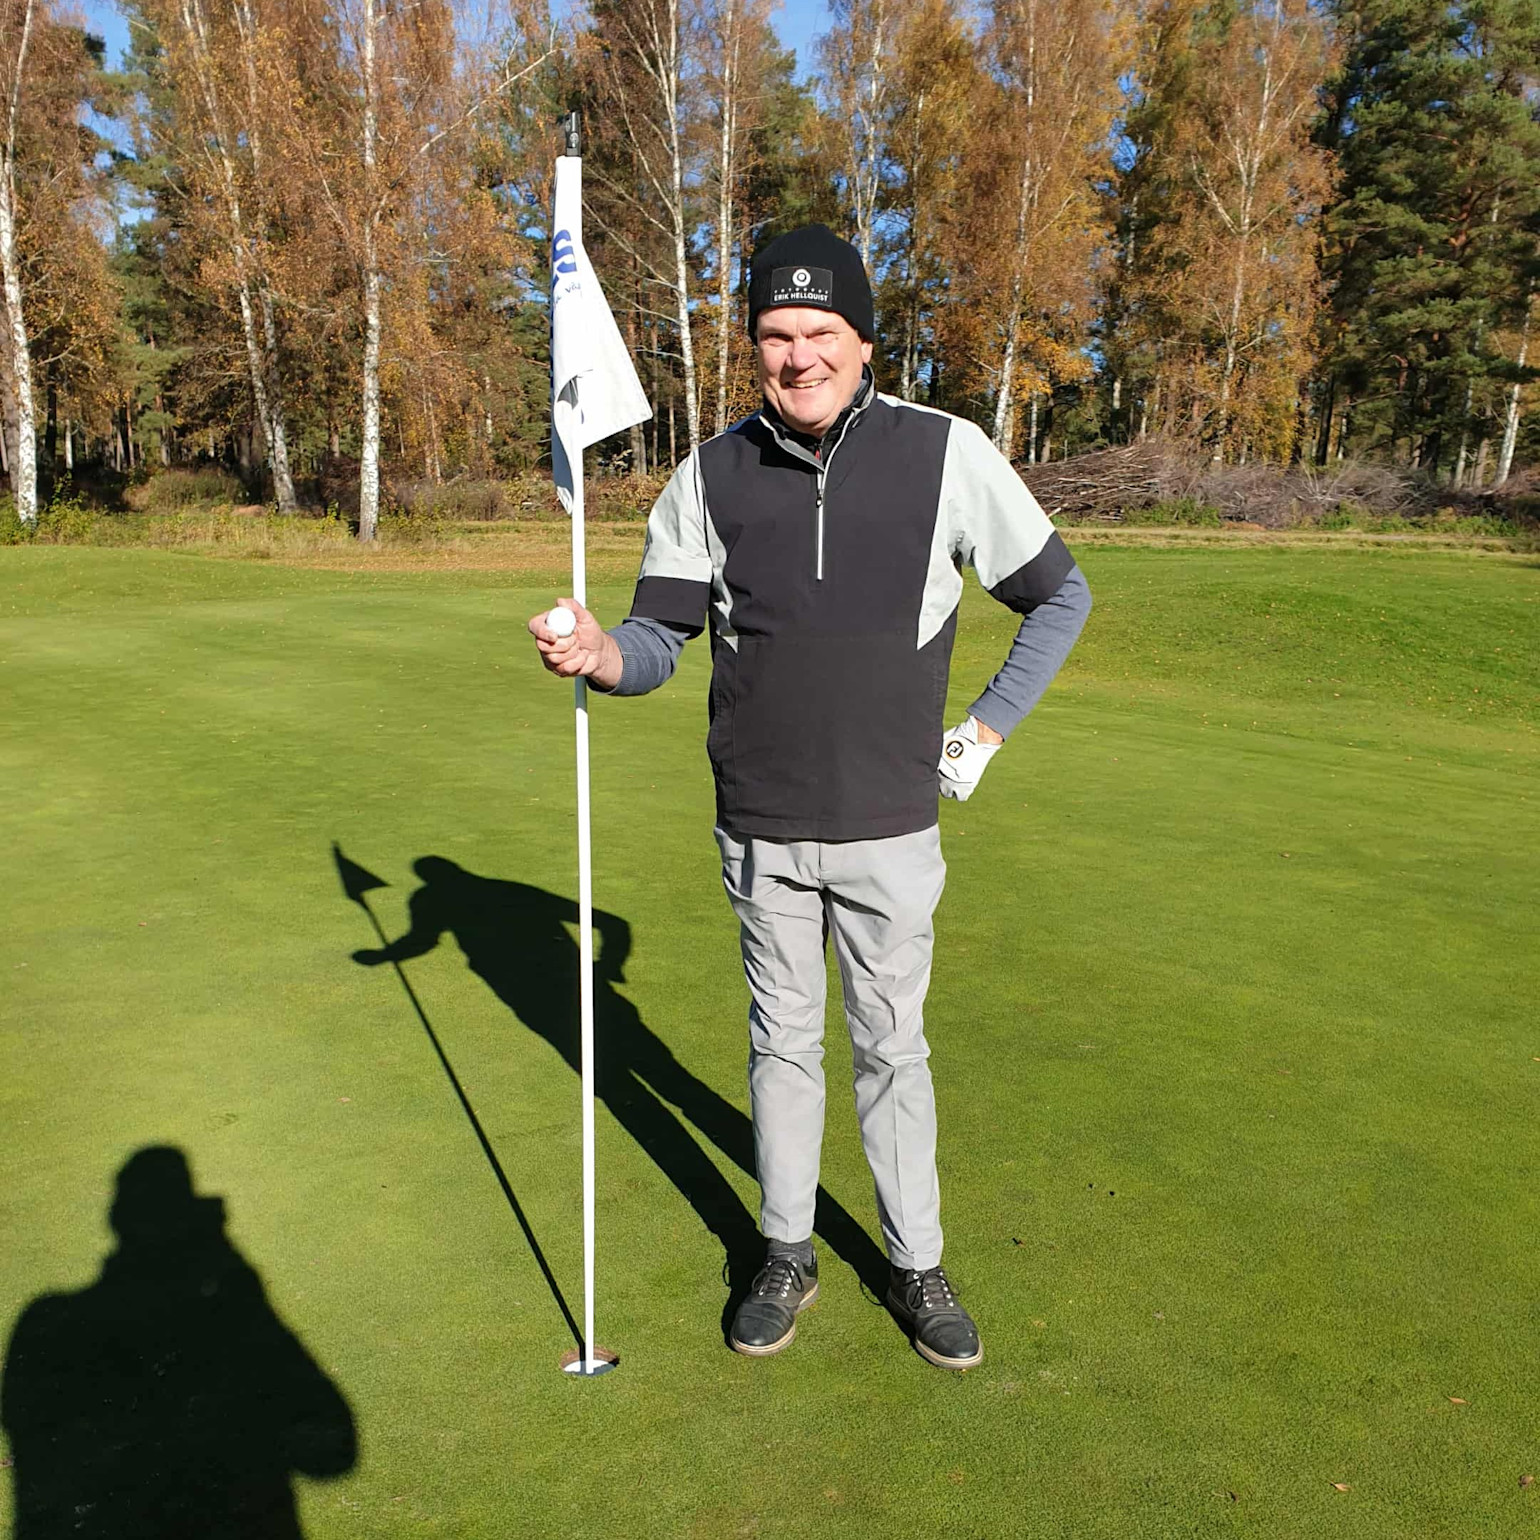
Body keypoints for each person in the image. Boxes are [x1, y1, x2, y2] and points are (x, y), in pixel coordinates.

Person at [528, 223, 1091, 1370]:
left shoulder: (948, 454)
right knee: (780, 1045)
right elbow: (657, 636)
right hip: (762, 823)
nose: (798, 356)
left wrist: (982, 728)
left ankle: (915, 1261)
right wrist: (599, 654)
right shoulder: (710, 472)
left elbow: (1058, 596)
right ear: (754, 347)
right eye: (776, 336)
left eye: (819, 332)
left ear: (864, 338)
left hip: (891, 823)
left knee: (893, 1047)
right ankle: (786, 1251)